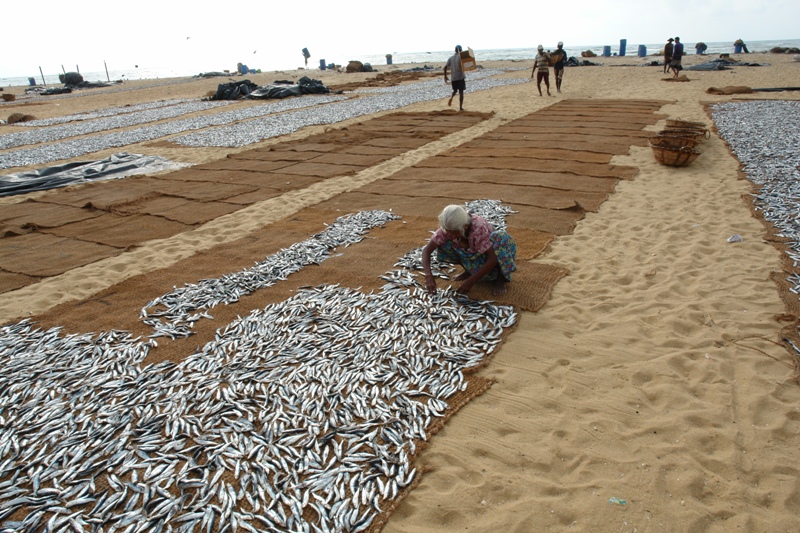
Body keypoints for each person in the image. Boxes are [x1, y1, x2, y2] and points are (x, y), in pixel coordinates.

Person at [421, 204, 517, 296]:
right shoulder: (449, 227)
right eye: (448, 231)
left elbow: (493, 259)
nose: (451, 235)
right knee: (444, 242)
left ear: (465, 226)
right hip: (473, 255)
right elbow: (426, 251)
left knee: (501, 238)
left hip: (489, 258)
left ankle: (500, 278)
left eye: (454, 233)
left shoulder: (479, 228)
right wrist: (428, 276)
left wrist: (471, 281)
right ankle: (469, 271)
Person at [444, 45, 466, 111]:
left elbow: (445, 67)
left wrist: (445, 76)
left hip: (453, 77)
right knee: (461, 92)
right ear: (460, 50)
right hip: (460, 77)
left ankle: (451, 97)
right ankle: (460, 107)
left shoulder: (451, 58)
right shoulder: (461, 57)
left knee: (455, 90)